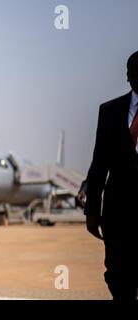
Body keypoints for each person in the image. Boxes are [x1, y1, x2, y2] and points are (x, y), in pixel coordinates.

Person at [85, 50, 138, 300]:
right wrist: (92, 211)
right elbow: (99, 164)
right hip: (118, 215)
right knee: (118, 278)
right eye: (133, 70)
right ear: (127, 76)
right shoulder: (109, 111)